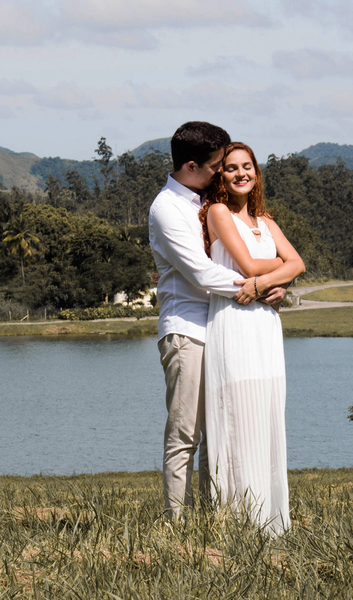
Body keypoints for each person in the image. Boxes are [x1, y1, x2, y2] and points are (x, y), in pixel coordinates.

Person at [148, 122, 287, 519]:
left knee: (222, 429)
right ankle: (177, 523)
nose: (220, 173)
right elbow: (202, 273)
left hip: (224, 326)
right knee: (185, 433)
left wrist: (272, 283)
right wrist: (261, 285)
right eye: (215, 166)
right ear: (192, 166)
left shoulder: (207, 200)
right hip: (188, 329)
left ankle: (215, 517)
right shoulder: (167, 209)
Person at [201, 142, 304, 535]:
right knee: (239, 416)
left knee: (267, 414)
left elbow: (299, 264)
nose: (240, 173)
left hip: (265, 325)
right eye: (231, 168)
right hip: (234, 323)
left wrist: (264, 282)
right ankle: (237, 520)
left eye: (247, 166)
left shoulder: (267, 221)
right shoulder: (218, 212)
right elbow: (247, 264)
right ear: (221, 176)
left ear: (256, 173)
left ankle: (271, 522)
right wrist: (280, 267)